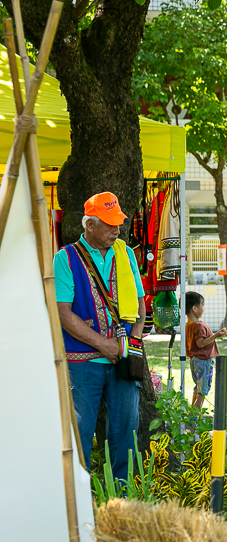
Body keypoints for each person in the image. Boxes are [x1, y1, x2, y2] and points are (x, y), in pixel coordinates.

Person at [55, 192, 145, 479]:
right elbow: (62, 313)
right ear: (89, 225)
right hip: (82, 363)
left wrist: (131, 343)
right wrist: (104, 345)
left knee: (126, 432)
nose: (116, 231)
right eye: (109, 224)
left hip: (123, 359)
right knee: (79, 432)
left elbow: (141, 306)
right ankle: (78, 498)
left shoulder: (126, 253)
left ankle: (122, 495)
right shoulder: (65, 258)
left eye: (118, 223)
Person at [185, 292, 227, 410]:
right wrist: (216, 335)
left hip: (194, 360)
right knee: (203, 389)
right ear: (194, 308)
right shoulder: (199, 325)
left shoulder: (188, 325)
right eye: (202, 305)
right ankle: (195, 414)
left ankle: (192, 412)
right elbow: (201, 343)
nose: (203, 309)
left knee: (197, 387)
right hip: (203, 360)